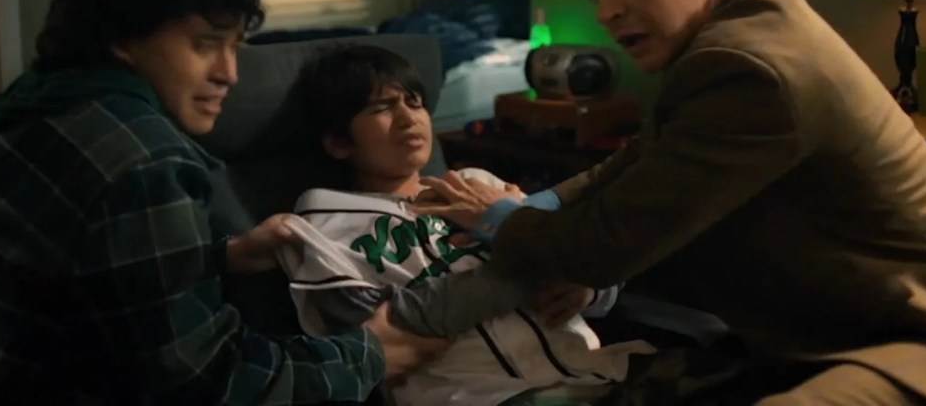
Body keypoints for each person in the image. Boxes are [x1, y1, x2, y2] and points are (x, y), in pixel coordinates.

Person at [412, 0, 926, 405]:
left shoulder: (748, 65)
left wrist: (502, 220)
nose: (606, 11)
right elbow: (636, 163)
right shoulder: (743, 24)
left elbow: (604, 245)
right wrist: (540, 205)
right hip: (855, 320)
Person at [0, 0, 447, 404]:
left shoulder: (34, 102)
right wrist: (368, 354)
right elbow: (208, 380)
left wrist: (221, 257)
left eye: (235, 46)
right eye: (205, 44)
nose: (229, 73)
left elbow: (92, 279)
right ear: (124, 37)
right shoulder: (145, 158)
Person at [277, 44, 652, 406]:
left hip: (596, 373)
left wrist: (588, 287)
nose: (409, 118)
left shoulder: (478, 184)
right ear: (339, 143)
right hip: (474, 394)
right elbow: (374, 336)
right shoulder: (328, 220)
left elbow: (589, 255)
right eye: (382, 108)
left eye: (414, 102)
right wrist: (535, 258)